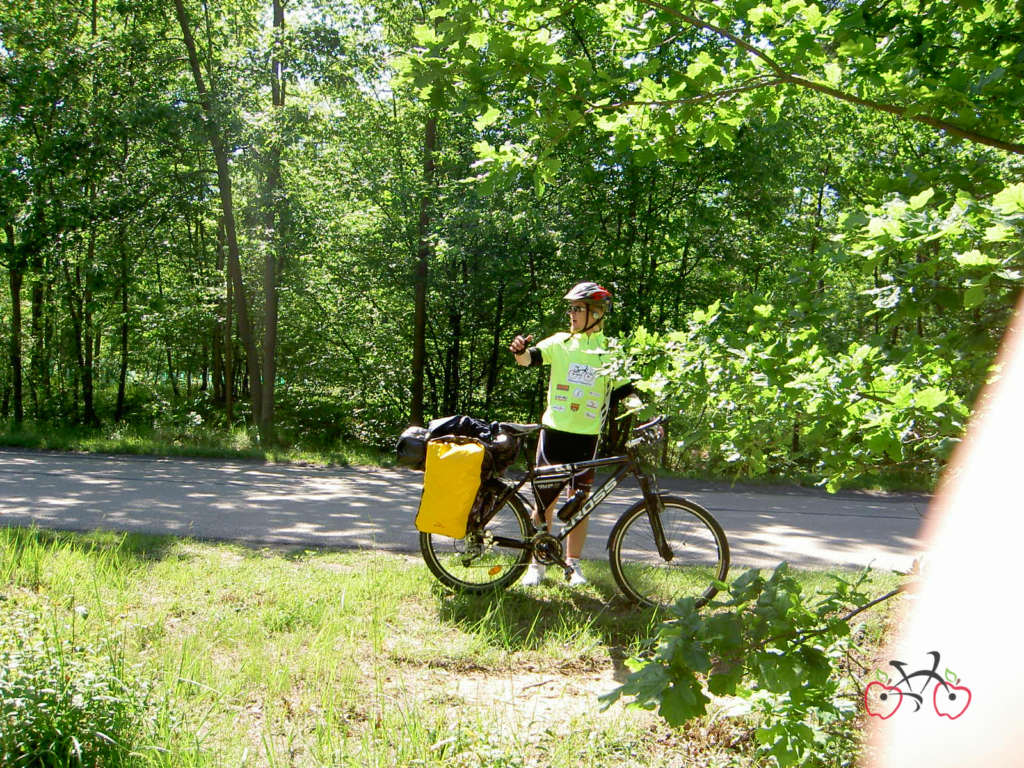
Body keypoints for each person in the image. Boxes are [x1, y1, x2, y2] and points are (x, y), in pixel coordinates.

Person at [508, 281, 642, 586]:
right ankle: (537, 564)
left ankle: (573, 566)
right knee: (544, 504)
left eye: (577, 308)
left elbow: (627, 392)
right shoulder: (560, 342)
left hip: (587, 439)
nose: (571, 313)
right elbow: (531, 358)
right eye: (570, 308)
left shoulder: (610, 350)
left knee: (579, 503)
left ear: (596, 313)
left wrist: (645, 415)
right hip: (554, 433)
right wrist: (519, 352)